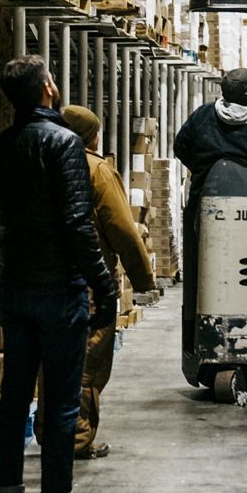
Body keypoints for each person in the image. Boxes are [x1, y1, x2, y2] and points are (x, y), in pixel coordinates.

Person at [0, 54, 119, 493]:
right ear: (48, 90)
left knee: (14, 396)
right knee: (60, 400)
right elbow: (79, 224)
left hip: (14, 292)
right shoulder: (64, 144)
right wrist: (102, 284)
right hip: (59, 292)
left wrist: (2, 276)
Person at [62, 104, 156, 460]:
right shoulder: (96, 169)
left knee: (53, 360)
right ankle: (76, 439)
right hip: (90, 281)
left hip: (45, 279)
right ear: (93, 136)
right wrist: (143, 278)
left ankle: (50, 430)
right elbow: (121, 229)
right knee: (87, 363)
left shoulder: (41, 161)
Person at [172, 64, 247, 363]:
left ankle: (197, 338)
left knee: (200, 271)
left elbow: (180, 146)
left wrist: (203, 169)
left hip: (202, 206)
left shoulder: (204, 115)